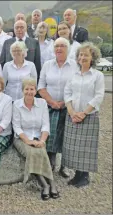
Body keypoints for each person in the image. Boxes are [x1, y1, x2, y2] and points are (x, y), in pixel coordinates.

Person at [63, 42, 104, 188]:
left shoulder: (97, 75)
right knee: (73, 146)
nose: (83, 57)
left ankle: (84, 176)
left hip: (89, 116)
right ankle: (77, 174)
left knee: (86, 147)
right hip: (72, 115)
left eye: (86, 55)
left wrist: (83, 113)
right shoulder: (73, 75)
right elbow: (67, 93)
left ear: (92, 57)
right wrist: (72, 112)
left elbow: (98, 96)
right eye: (80, 54)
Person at [13, 78, 59, 201]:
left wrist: (42, 141)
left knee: (42, 152)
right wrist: (27, 141)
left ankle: (52, 183)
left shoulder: (42, 103)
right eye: (26, 89)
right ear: (23, 90)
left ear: (35, 90)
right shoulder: (17, 104)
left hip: (39, 137)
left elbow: (45, 125)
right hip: (22, 138)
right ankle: (45, 185)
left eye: (32, 89)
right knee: (32, 153)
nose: (29, 91)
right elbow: (16, 127)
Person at [38, 37, 78, 178]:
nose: (59, 49)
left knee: (67, 136)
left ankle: (65, 166)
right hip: (50, 106)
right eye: (56, 46)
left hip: (69, 107)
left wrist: (64, 102)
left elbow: (78, 87)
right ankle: (50, 162)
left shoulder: (75, 65)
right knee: (51, 134)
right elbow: (41, 86)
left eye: (62, 46)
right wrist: (52, 102)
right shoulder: (48, 65)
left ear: (68, 49)